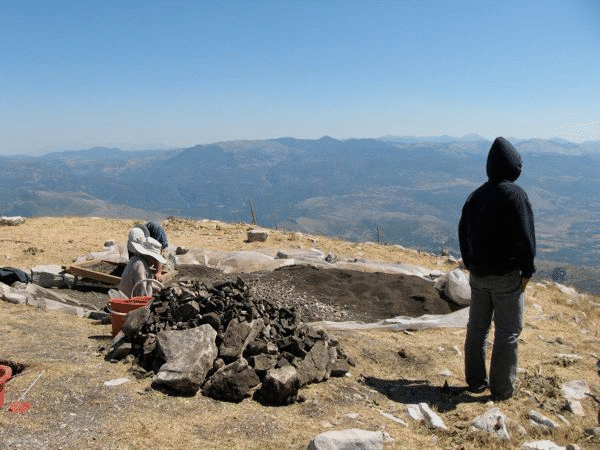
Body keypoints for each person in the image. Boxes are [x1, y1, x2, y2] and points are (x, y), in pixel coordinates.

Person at [458, 136, 536, 401]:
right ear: (512, 166)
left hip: (478, 276)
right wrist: (527, 271)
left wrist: (471, 264)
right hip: (507, 277)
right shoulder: (515, 195)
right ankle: (502, 390)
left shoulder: (476, 196)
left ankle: (476, 381)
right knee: (508, 332)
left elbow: (463, 233)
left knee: (477, 329)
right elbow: (526, 238)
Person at [118, 227, 166, 298]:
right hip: (129, 303)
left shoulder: (137, 260)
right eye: (154, 259)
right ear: (149, 256)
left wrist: (158, 289)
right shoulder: (140, 266)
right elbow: (141, 291)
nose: (155, 262)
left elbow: (146, 282)